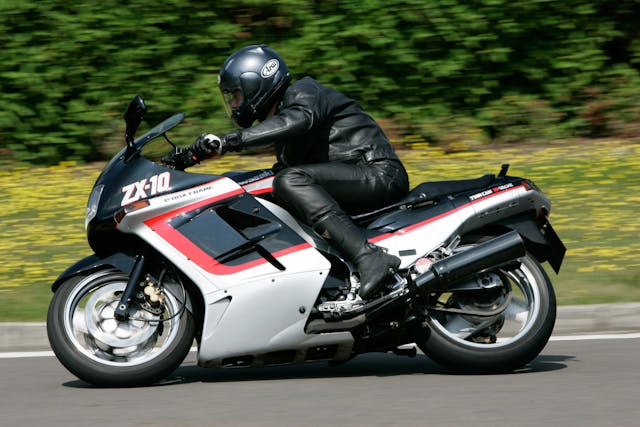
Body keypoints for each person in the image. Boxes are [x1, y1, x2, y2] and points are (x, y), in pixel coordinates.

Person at [189, 45, 409, 299]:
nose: (235, 104)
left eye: (236, 95)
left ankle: (369, 257)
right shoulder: (285, 132)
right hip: (356, 176)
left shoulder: (303, 92)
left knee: (289, 180)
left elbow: (298, 120)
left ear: (254, 86)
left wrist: (228, 142)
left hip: (378, 172)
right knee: (253, 188)